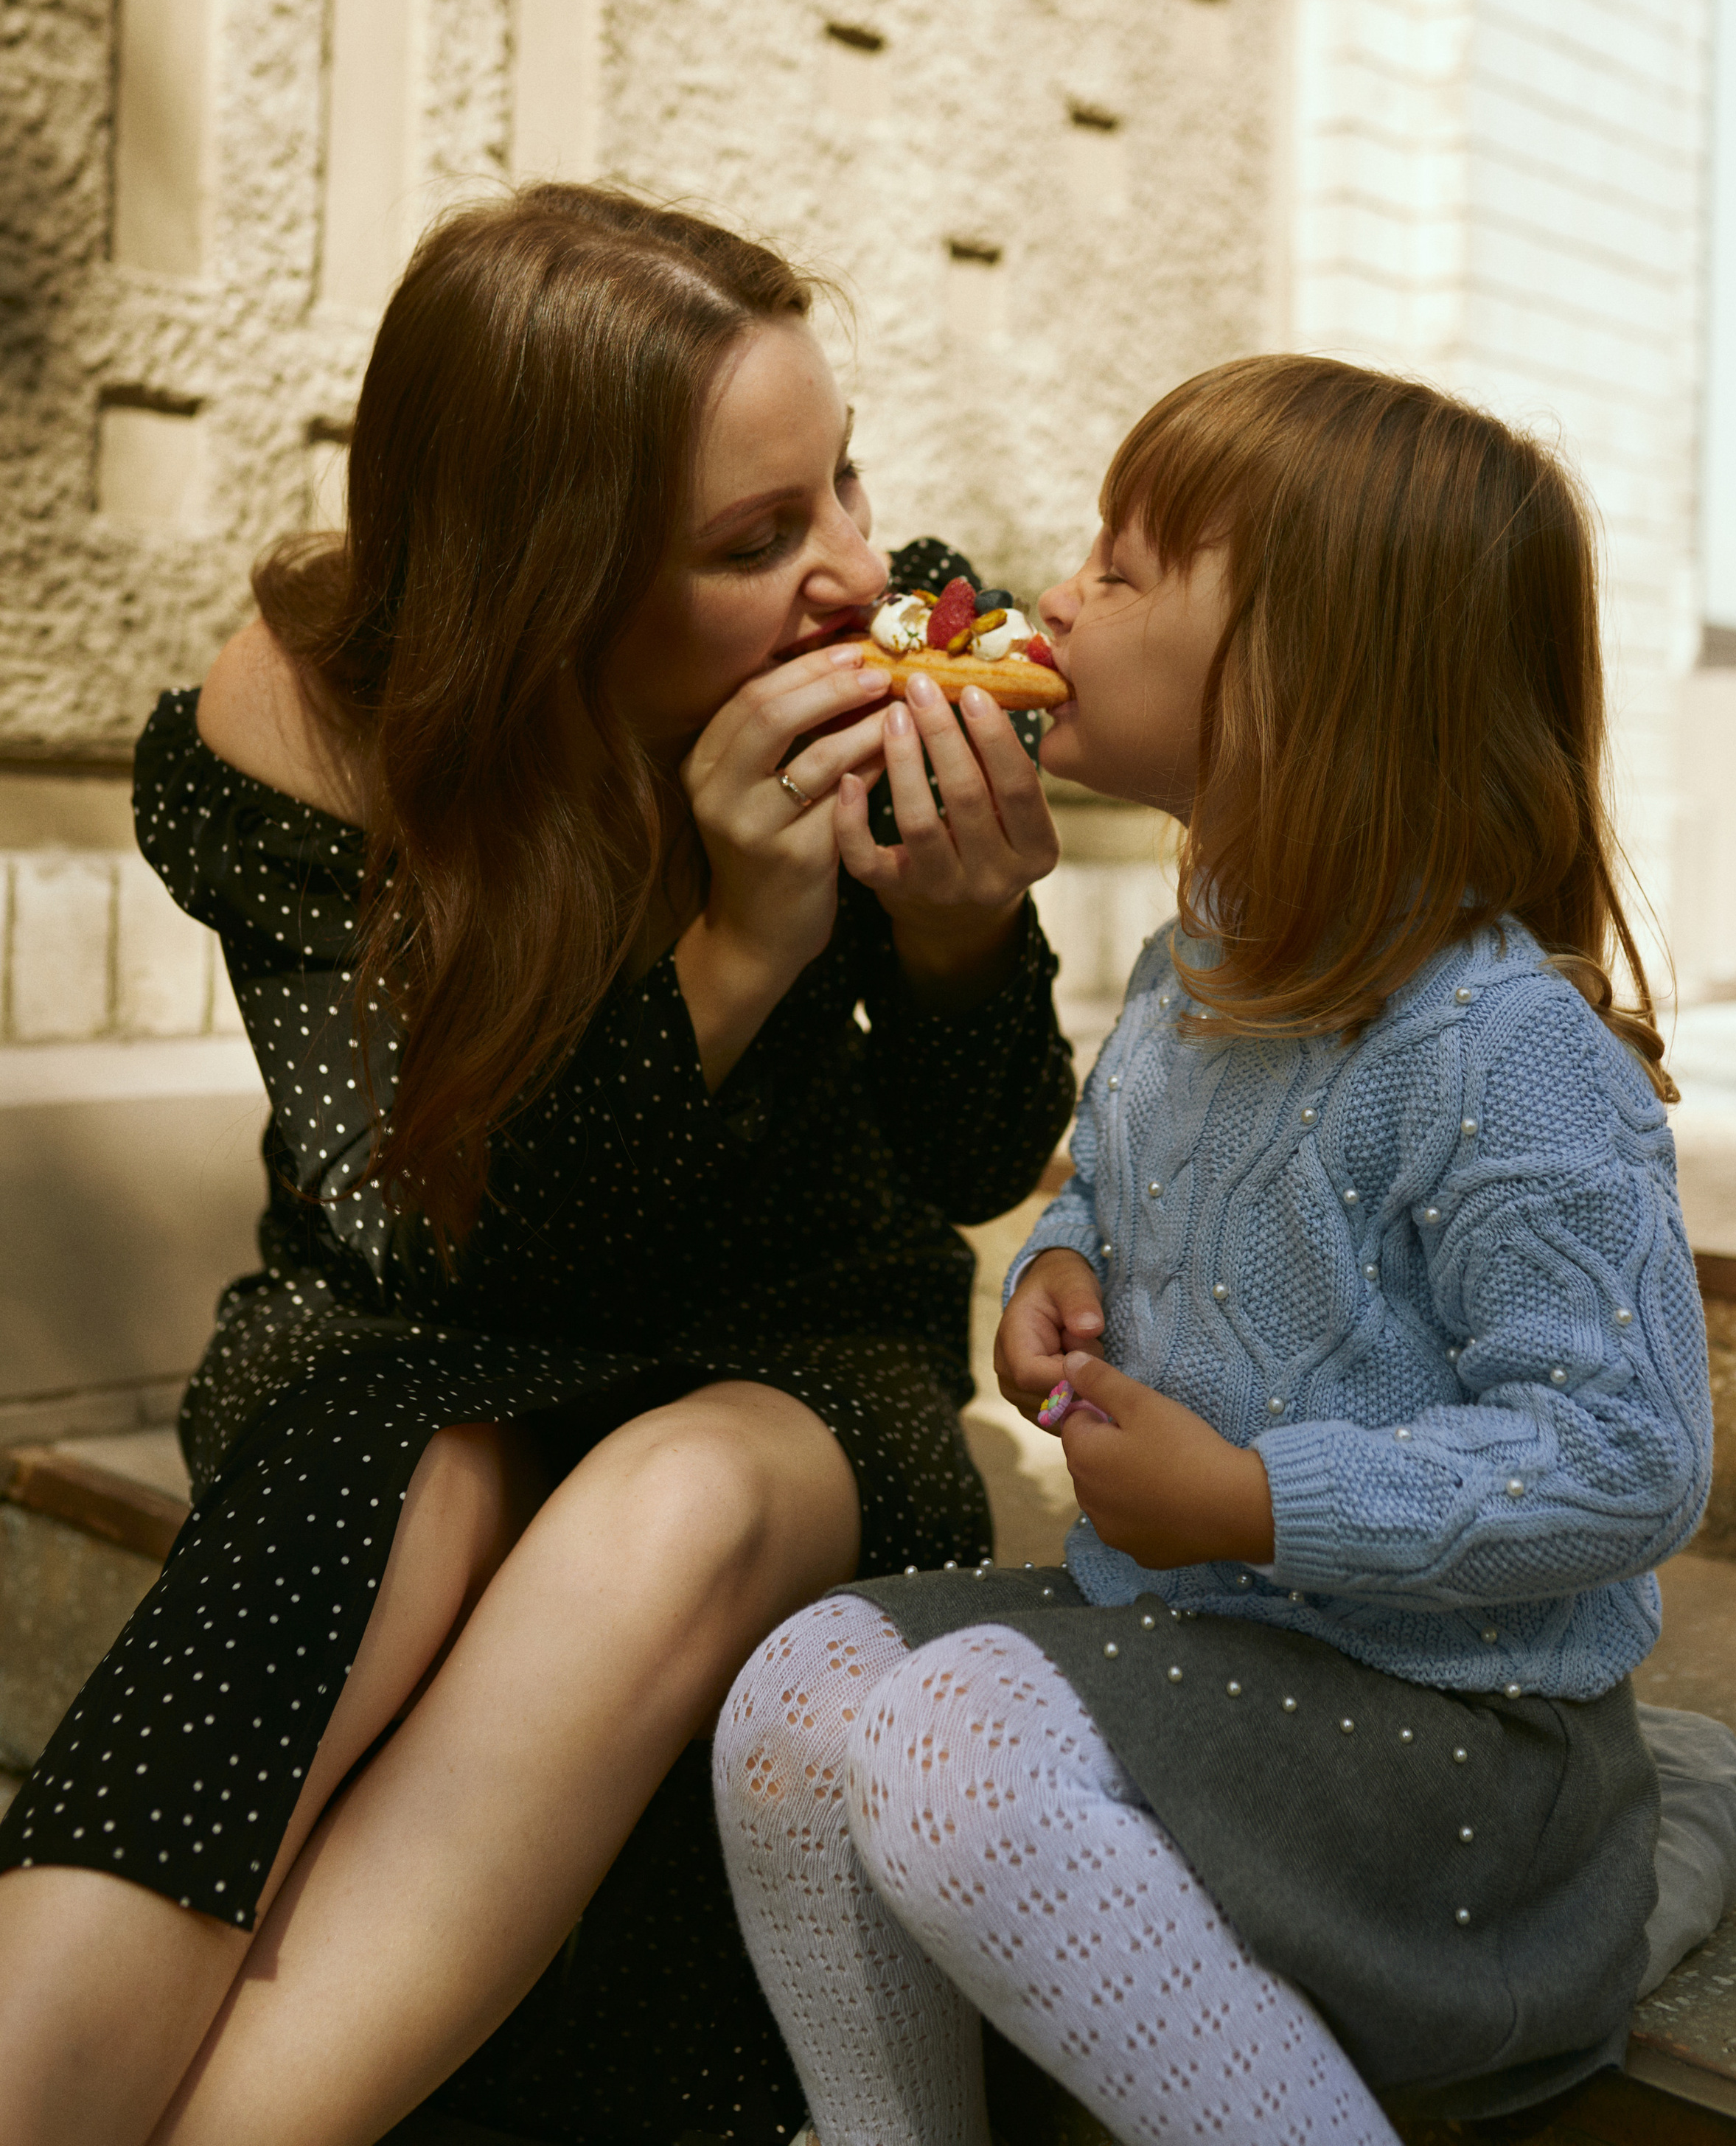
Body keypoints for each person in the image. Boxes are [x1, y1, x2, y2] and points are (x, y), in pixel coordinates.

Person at [0, 185, 1074, 2146]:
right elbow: (447, 1250)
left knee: (661, 1506)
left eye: (845, 476)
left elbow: (975, 1157)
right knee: (393, 1479)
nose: (856, 570)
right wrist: (737, 950)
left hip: (796, 1361)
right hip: (404, 1337)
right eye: (758, 541)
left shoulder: (917, 620)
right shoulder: (314, 716)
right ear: (552, 578)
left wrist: (957, 938)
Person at [713, 355, 1736, 2146]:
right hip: (1223, 1659)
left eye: (1126, 571)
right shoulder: (1190, 965)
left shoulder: (1497, 1049)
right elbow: (1131, 1196)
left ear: (1303, 681)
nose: (1055, 594)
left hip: (1463, 1744)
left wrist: (1256, 1499)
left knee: (956, 1737)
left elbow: (1624, 1455)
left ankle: (1637, 1846)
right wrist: (1066, 1262)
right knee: (799, 1690)